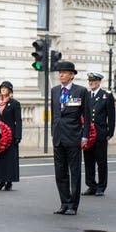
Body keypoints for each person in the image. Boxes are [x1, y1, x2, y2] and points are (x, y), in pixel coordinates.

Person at [50, 61, 90, 215]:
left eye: (65, 72)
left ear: (72, 75)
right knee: (60, 173)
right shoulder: (54, 91)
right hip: (59, 138)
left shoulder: (80, 91)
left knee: (74, 172)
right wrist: (54, 133)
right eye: (60, 72)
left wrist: (85, 136)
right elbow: (54, 114)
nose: (61, 75)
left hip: (73, 137)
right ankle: (64, 203)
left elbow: (86, 116)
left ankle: (73, 205)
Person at [82, 72, 115, 197]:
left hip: (100, 134)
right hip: (88, 134)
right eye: (89, 80)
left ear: (99, 82)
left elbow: (111, 116)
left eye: (93, 81)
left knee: (101, 161)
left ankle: (101, 187)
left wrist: (110, 132)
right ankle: (91, 185)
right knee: (88, 161)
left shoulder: (106, 96)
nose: (91, 83)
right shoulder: (86, 96)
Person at [0, 81, 22, 191]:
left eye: (5, 88)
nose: (3, 89)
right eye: (1, 88)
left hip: (10, 135)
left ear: (9, 91)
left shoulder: (14, 103)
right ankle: (0, 180)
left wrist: (18, 136)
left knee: (9, 159)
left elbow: (18, 120)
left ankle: (9, 181)